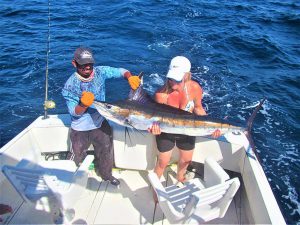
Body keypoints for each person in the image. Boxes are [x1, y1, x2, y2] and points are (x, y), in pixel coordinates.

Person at [62, 47, 140, 186]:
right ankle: (70, 179)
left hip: (100, 122)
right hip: (80, 129)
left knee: (106, 150)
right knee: (76, 155)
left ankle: (107, 175)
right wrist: (83, 104)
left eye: (90, 64)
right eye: (83, 64)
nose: (87, 67)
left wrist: (130, 77)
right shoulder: (70, 86)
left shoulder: (100, 72)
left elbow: (121, 71)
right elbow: (74, 112)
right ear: (74, 63)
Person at [148, 56, 220, 182]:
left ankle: (180, 177)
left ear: (187, 75)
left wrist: (211, 127)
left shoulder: (195, 88)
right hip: (166, 132)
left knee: (186, 159)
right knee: (163, 162)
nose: (173, 83)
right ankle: (154, 187)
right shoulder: (161, 95)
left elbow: (198, 108)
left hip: (188, 131)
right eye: (170, 79)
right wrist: (153, 129)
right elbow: (155, 119)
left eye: (177, 79)